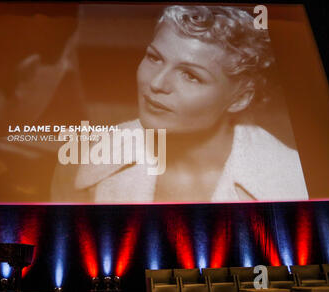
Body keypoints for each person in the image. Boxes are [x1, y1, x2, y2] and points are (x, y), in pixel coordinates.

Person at [50, 5, 308, 203]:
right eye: (154, 58)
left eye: (191, 75)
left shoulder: (293, 180)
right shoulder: (82, 162)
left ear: (240, 98)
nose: (157, 83)